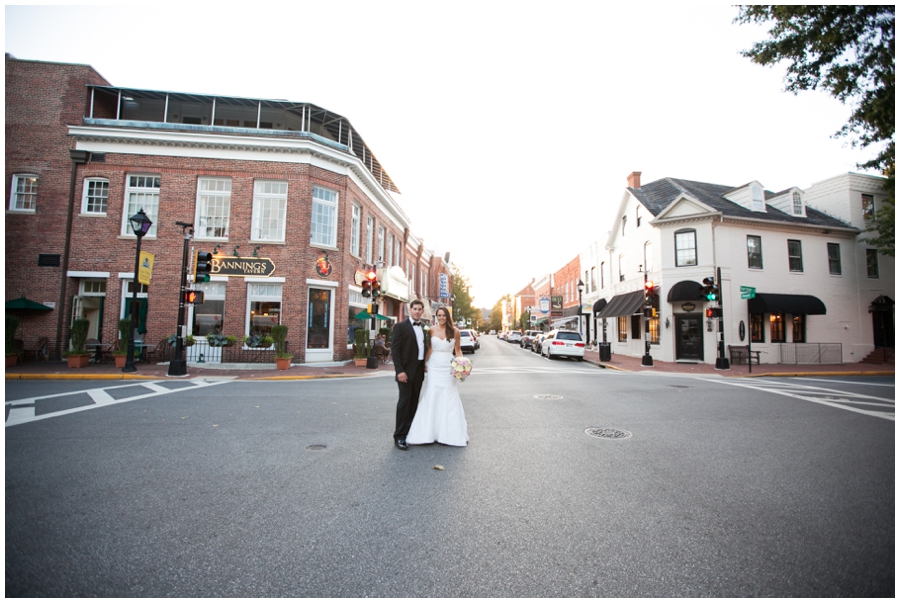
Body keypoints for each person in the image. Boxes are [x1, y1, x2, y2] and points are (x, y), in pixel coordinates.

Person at [405, 306, 468, 447]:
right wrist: (423, 364)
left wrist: (462, 364)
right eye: (439, 315)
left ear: (448, 316)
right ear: (436, 316)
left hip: (448, 367)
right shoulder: (431, 330)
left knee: (449, 395)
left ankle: (449, 433)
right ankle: (428, 432)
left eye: (444, 315)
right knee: (432, 394)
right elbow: (429, 348)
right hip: (434, 367)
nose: (441, 318)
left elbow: (458, 350)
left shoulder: (455, 332)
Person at [391, 300, 428, 450]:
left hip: (419, 371)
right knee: (404, 403)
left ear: (422, 311)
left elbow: (422, 347)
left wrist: (425, 364)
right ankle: (399, 436)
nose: (417, 311)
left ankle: (410, 433)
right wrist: (399, 370)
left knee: (414, 403)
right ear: (410, 310)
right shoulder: (400, 327)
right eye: (415, 309)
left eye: (420, 309)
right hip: (405, 372)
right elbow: (395, 350)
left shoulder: (424, 327)